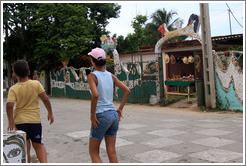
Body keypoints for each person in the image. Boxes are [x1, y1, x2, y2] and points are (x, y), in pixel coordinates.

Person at [87, 47, 130, 163]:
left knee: (93, 152)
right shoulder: (111, 76)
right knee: (111, 151)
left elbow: (95, 95)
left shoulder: (92, 76)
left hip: (101, 116)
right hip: (113, 115)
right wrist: (120, 109)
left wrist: (92, 115)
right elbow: (127, 90)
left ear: (92, 61)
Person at [6, 60, 54, 163]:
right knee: (39, 145)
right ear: (29, 72)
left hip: (20, 122)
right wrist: (50, 112)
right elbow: (45, 99)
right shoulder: (36, 84)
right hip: (35, 121)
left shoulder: (13, 89)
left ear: (15, 74)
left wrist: (11, 122)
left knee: (25, 147)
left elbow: (10, 105)